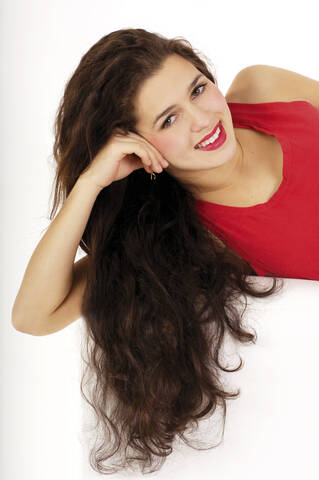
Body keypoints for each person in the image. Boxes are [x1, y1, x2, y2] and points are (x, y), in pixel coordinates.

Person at [11, 28, 289, 475]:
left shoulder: (266, 89)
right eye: (168, 120)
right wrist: (90, 183)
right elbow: (32, 316)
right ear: (138, 148)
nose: (202, 118)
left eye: (198, 89)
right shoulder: (186, 239)